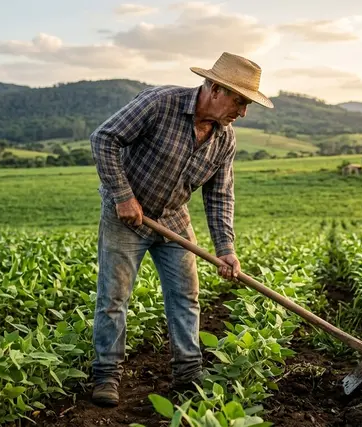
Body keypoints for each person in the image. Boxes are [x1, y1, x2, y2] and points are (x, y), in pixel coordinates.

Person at [88, 52, 274, 407]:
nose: (243, 112)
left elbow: (219, 196)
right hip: (127, 217)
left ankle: (188, 373)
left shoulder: (225, 139)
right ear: (215, 88)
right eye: (240, 101)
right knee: (114, 298)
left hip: (173, 219)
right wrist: (124, 197)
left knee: (186, 296)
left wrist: (226, 249)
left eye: (248, 104)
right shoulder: (160, 103)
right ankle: (107, 374)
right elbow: (104, 139)